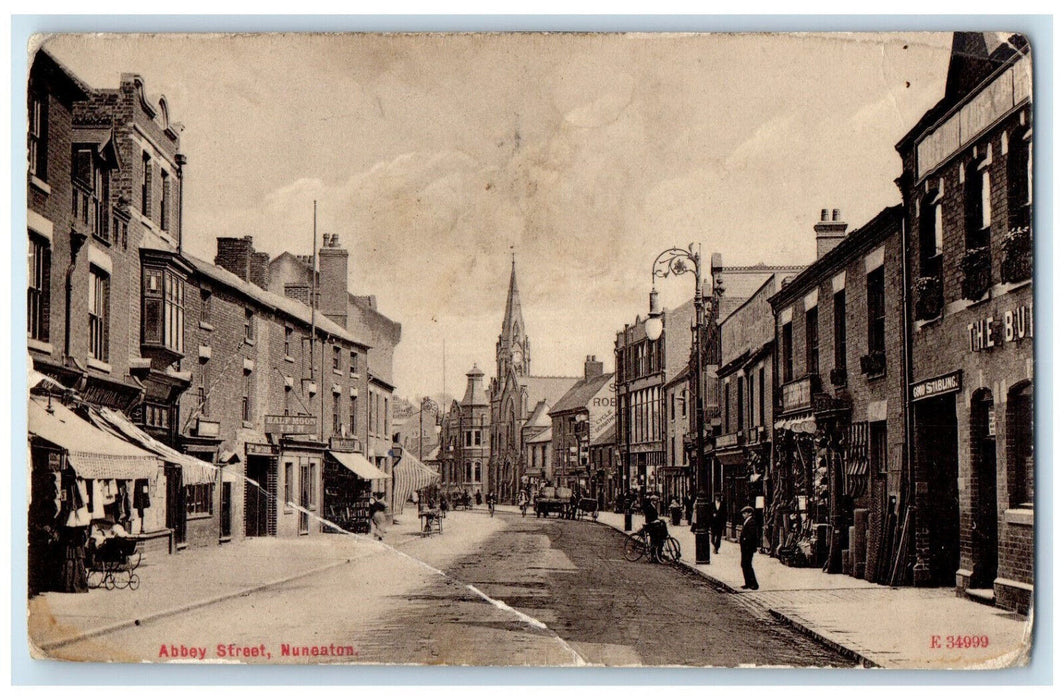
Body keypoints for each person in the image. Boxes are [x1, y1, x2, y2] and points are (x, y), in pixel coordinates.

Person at [739, 505, 759, 590]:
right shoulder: (747, 521)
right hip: (745, 548)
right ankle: (748, 583)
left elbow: (751, 536)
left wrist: (744, 540)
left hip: (748, 547)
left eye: (745, 513)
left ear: (749, 513)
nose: (743, 515)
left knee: (747, 564)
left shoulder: (751, 522)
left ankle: (753, 584)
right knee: (745, 564)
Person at [641, 496, 666, 563]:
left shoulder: (653, 507)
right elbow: (648, 519)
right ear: (652, 501)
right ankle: (654, 556)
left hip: (653, 526)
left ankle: (656, 556)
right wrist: (654, 521)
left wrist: (658, 519)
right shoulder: (649, 507)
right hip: (651, 526)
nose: (656, 502)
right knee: (656, 540)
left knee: (657, 539)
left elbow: (655, 517)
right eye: (655, 501)